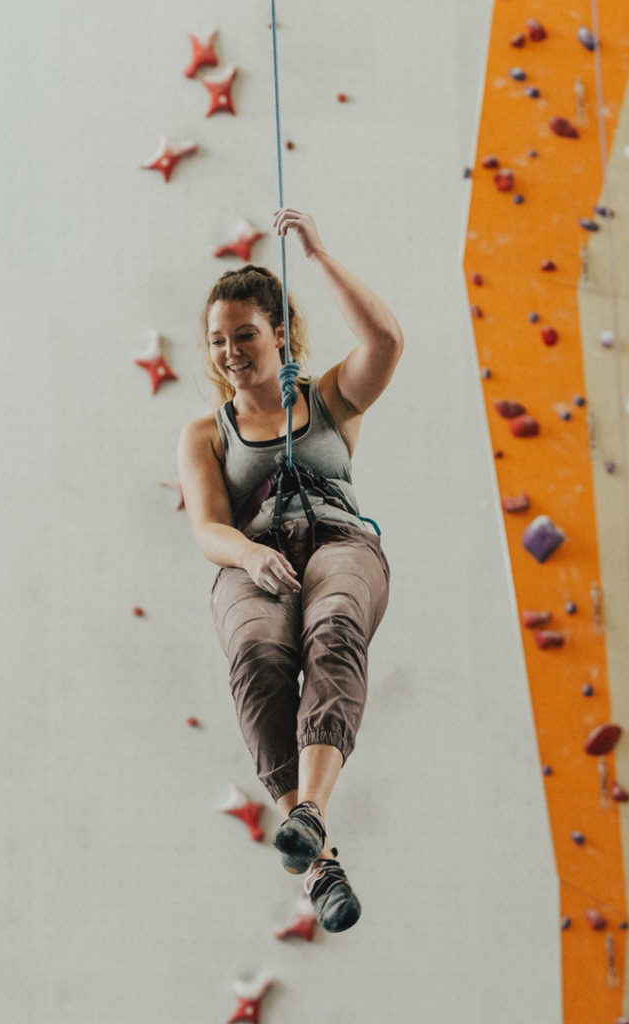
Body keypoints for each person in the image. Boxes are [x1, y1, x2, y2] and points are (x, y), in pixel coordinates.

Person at [177, 208, 403, 932]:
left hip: (338, 541)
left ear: (279, 331)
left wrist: (317, 253)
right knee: (258, 657)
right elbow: (209, 527)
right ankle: (319, 860)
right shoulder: (207, 433)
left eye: (245, 334)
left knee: (334, 627)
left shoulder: (329, 397)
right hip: (258, 557)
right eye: (219, 341)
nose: (231, 352)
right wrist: (250, 554)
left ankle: (309, 811)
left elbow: (386, 340)